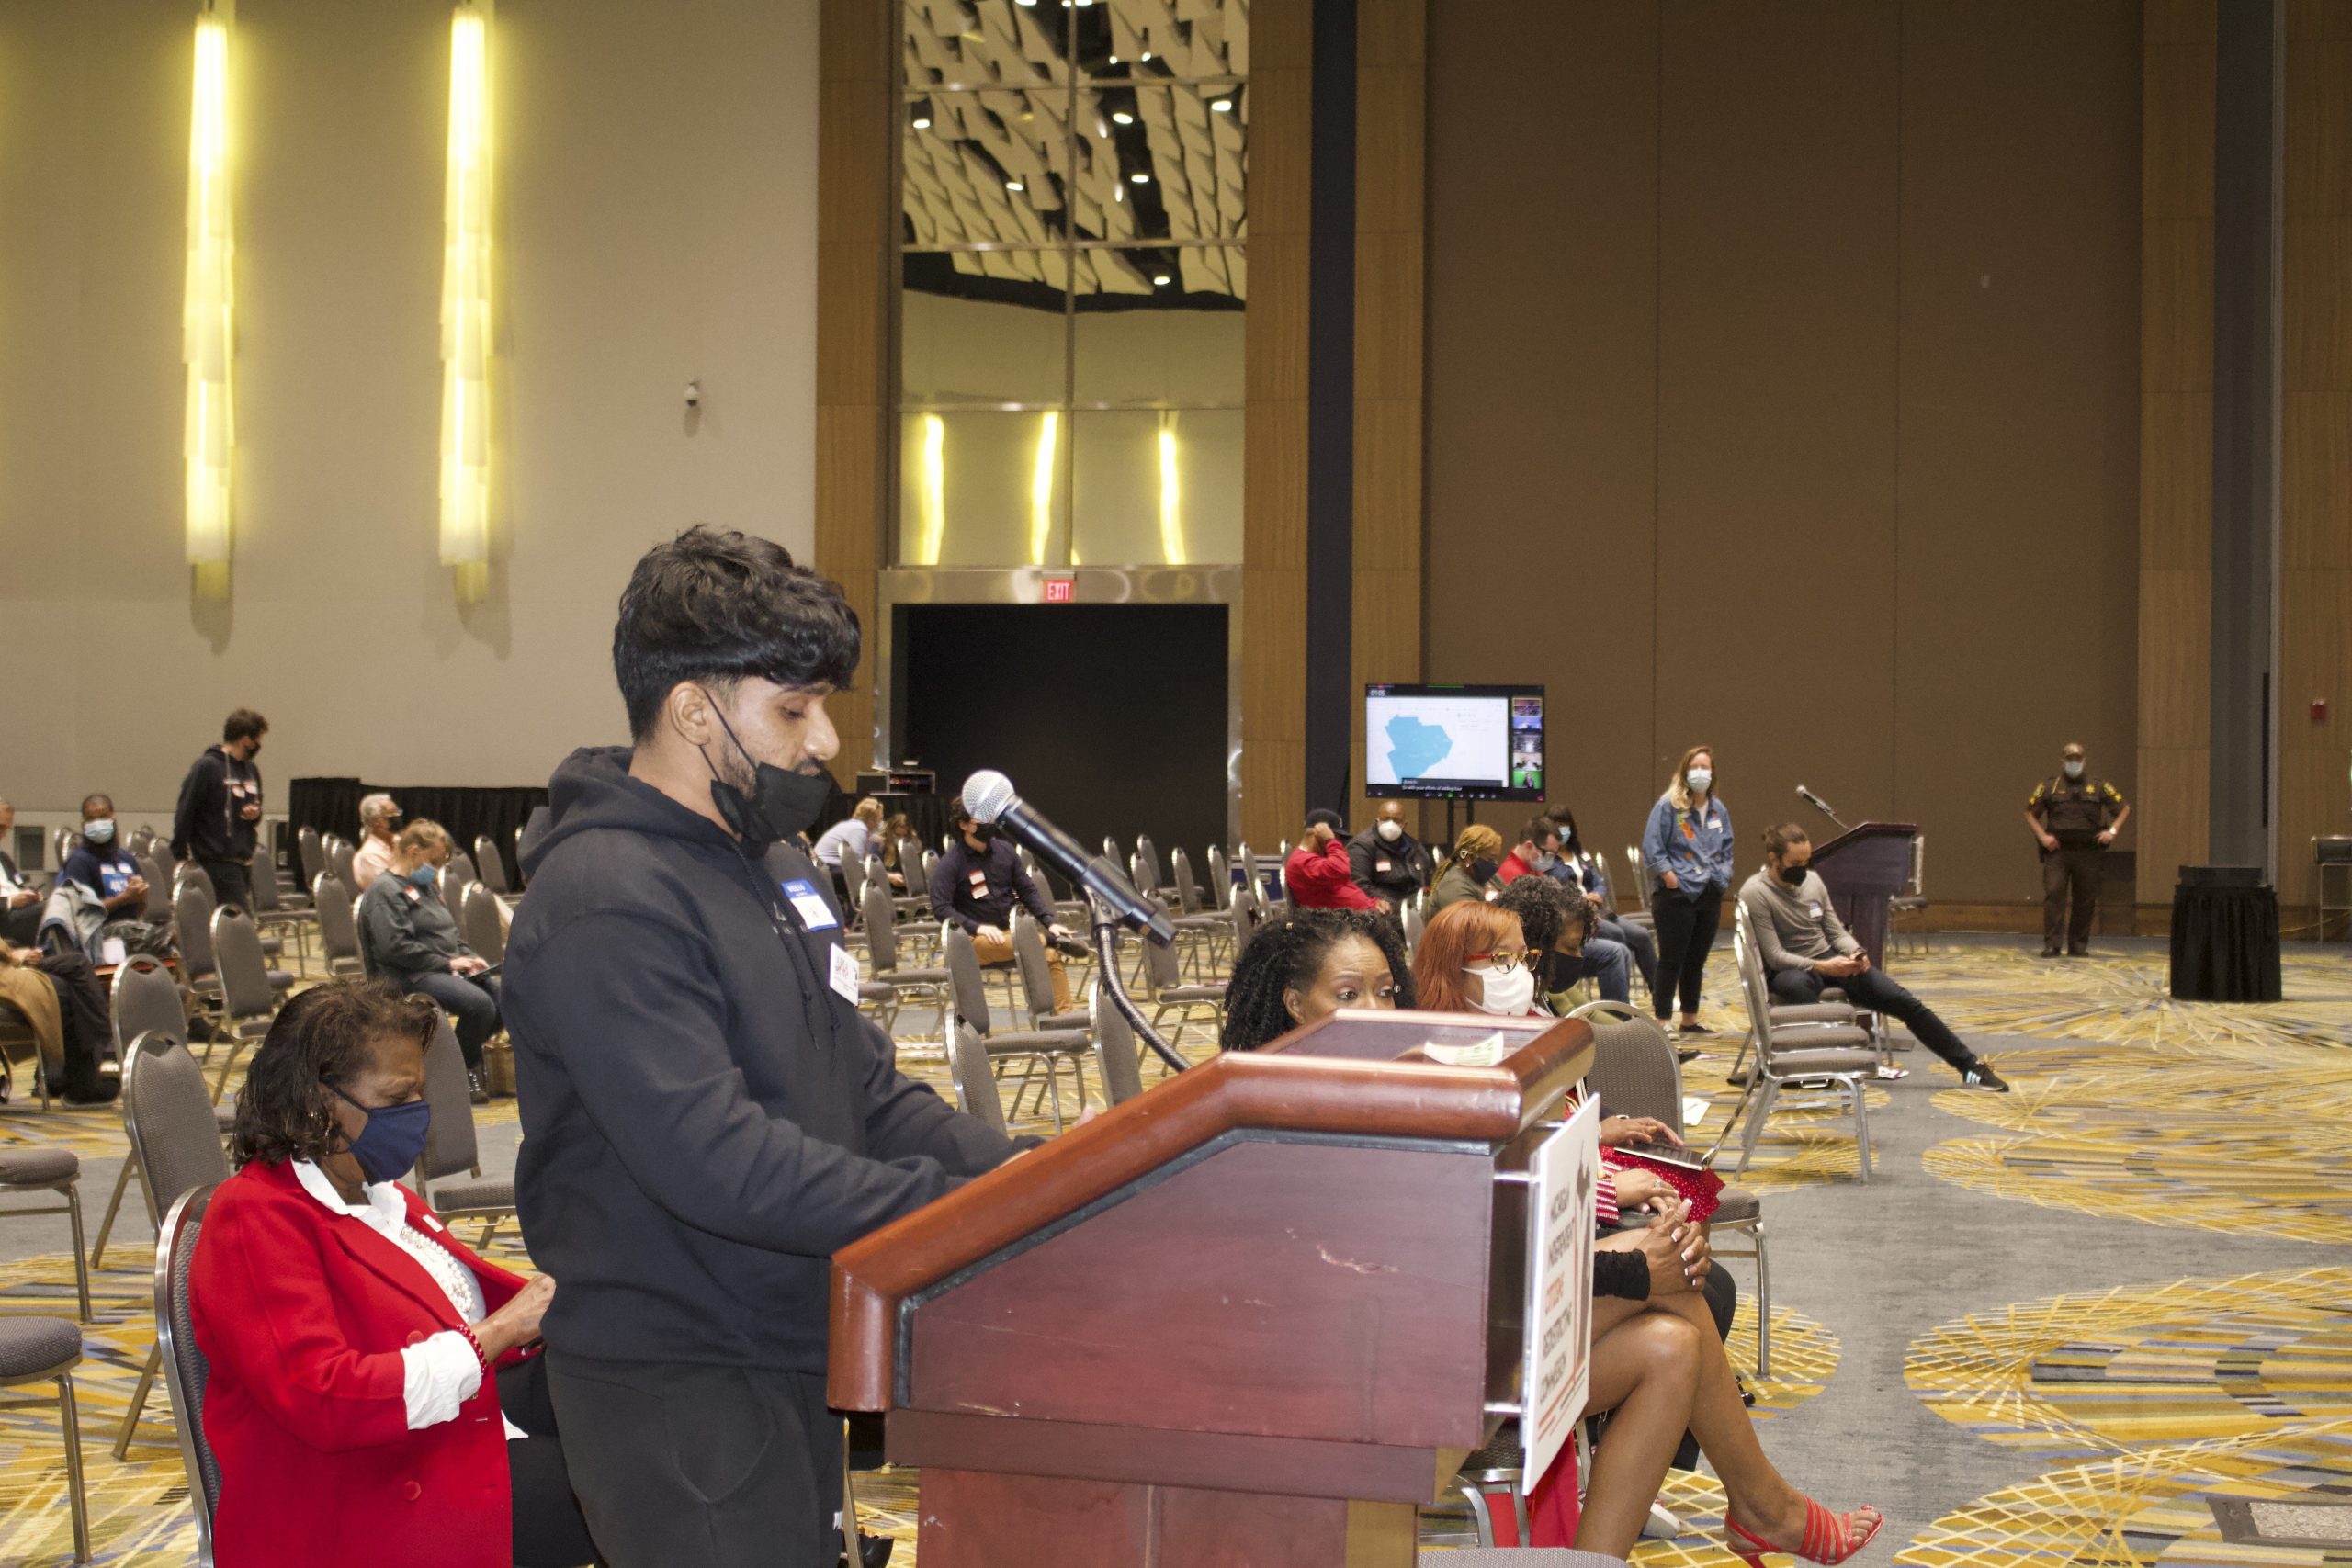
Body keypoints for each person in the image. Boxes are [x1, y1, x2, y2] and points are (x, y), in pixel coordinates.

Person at [503, 526, 1032, 1568]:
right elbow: (717, 1159)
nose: (826, 742)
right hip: (675, 1373)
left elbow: (866, 1087)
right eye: (792, 710)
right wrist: (960, 1211)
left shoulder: (773, 862)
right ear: (693, 710)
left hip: (788, 1333)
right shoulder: (605, 896)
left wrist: (1029, 1172)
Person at [191, 981, 596, 1568]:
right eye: (398, 1096)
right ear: (316, 1101)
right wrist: (498, 1333)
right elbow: (325, 1398)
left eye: (419, 1094)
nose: (417, 1114)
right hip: (355, 1496)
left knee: (636, 1390)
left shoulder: (382, 1199)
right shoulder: (253, 1216)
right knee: (627, 1477)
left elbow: (470, 1315)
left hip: (433, 1436)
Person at [1739, 824, 2008, 1091]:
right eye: (1795, 862)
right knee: (1793, 986)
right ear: (1774, 859)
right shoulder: (1756, 892)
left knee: (1904, 1001)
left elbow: (1834, 930)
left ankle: (1970, 1066)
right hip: (1793, 967)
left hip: (1829, 960)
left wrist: (1856, 952)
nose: (1803, 868)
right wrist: (1824, 966)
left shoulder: (1813, 881)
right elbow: (1774, 956)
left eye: (1807, 861)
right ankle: (1813, 1065)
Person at [358, 820, 497, 1101]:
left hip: (437, 968)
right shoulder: (385, 890)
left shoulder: (426, 887)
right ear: (413, 851)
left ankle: (450, 1064)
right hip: (406, 974)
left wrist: (467, 957)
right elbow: (395, 948)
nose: (436, 868)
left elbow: (449, 933)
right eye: (433, 860)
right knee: (479, 1005)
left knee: (503, 997)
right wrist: (447, 963)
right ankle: (459, 1071)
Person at [930, 798, 1082, 1010]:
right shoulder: (951, 863)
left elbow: (1027, 890)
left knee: (1049, 956)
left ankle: (1065, 1019)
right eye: (979, 820)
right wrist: (978, 928)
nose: (987, 824)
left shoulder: (1005, 851)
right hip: (974, 941)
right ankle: (1051, 940)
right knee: (1025, 942)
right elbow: (941, 908)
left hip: (1011, 935)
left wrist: (1049, 922)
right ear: (963, 825)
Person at [1217, 907, 1414, 1051]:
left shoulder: (1399, 1063)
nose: (1375, 1009)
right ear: (1296, 1005)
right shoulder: (1276, 1094)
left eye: (1385, 992)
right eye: (1348, 995)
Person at [1644, 747, 1733, 1034]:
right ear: (1684, 771)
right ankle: (1662, 1020)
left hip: (1709, 892)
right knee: (1672, 959)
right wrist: (1671, 877)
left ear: (1713, 773)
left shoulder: (1719, 809)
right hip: (1676, 895)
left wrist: (1723, 876)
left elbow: (1727, 847)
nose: (1700, 773)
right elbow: (1653, 847)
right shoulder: (1668, 806)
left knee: (1696, 960)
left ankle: (1690, 1019)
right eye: (1695, 767)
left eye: (1705, 767)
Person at [1498, 820, 1634, 1004]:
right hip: (1551, 944)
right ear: (1530, 845)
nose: (1550, 860)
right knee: (1614, 952)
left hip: (1561, 934)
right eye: (1547, 854)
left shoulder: (1534, 869)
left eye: (1554, 855)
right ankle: (1620, 1016)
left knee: (1619, 943)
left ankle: (1619, 1016)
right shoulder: (1513, 874)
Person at [1544, 804, 1660, 1001]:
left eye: (1565, 825)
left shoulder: (1580, 853)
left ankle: (1660, 997)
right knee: (1617, 935)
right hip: (1577, 917)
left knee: (1642, 936)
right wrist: (1583, 901)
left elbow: (1598, 881)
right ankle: (1621, 995)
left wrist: (1597, 894)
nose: (1562, 830)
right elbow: (1555, 891)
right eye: (1557, 825)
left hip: (1599, 911)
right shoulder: (1546, 859)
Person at [2025, 742, 2129, 957]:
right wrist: (2042, 836)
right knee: (2054, 895)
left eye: (2077, 759)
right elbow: (2029, 812)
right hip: (2058, 852)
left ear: (2085, 761)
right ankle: (2052, 944)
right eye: (2070, 760)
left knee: (2085, 899)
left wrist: (2112, 831)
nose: (2074, 763)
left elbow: (2123, 808)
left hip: (2088, 852)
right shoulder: (2050, 786)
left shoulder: (2097, 786)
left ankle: (2078, 946)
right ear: (2063, 762)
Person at [171, 707, 268, 912]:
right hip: (216, 860)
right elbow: (186, 810)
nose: (260, 745)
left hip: (244, 858)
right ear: (246, 740)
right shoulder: (207, 767)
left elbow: (257, 807)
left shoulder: (251, 770)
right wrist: (179, 855)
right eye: (258, 738)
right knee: (239, 923)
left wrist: (254, 814)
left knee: (235, 921)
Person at [53, 795, 171, 962]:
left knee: (176, 930)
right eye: (91, 819)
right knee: (163, 937)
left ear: (112, 819)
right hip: (99, 934)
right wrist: (124, 898)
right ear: (83, 824)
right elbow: (82, 914)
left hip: (130, 928)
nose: (97, 823)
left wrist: (140, 897)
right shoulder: (79, 861)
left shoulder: (125, 858)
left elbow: (137, 911)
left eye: (102, 817)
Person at [1284, 809, 1378, 910]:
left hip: (1356, 917)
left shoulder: (1318, 859)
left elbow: (1346, 887)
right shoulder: (1302, 863)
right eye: (1336, 836)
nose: (1338, 841)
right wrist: (1331, 841)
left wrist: (1374, 903)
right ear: (1320, 835)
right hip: (1335, 922)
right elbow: (1342, 870)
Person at [1348, 801, 1433, 909]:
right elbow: (1359, 886)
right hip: (1381, 909)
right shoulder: (1361, 847)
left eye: (1396, 820)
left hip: (1415, 906)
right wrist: (1400, 905)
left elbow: (1428, 880)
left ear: (1404, 824)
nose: (1390, 824)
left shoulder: (1415, 848)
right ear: (1377, 820)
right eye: (1385, 819)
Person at [812, 796, 884, 907]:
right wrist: (886, 875)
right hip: (829, 870)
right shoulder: (858, 829)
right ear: (871, 819)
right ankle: (859, 918)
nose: (881, 823)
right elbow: (855, 864)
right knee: (872, 883)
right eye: (879, 819)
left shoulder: (852, 826)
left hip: (826, 869)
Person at [1430, 823, 1505, 910]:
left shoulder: (1490, 877)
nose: (1495, 863)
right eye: (1490, 859)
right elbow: (1472, 922)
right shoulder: (1454, 887)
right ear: (1469, 858)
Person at [0, 799, 43, 947]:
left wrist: (31, 894)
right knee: (48, 909)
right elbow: (12, 898)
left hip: (22, 913)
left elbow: (19, 885)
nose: (3, 835)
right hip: (4, 918)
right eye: (0, 827)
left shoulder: (3, 858)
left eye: (6, 829)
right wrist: (11, 902)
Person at [350, 793, 402, 892]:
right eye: (392, 814)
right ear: (377, 821)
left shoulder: (399, 842)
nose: (398, 817)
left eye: (398, 812)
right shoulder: (369, 856)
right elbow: (391, 890)